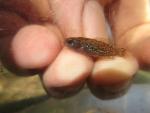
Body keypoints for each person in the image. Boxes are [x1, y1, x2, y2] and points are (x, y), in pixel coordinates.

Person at [0, 0, 149, 98]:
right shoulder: (81, 44)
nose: (69, 44)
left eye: (71, 43)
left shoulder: (83, 44)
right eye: (71, 43)